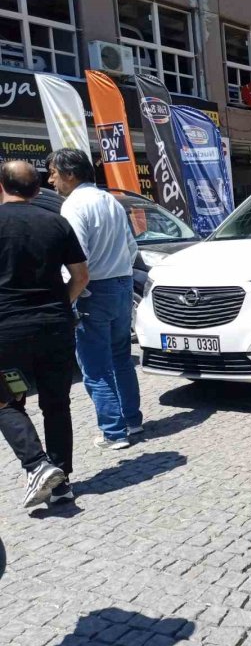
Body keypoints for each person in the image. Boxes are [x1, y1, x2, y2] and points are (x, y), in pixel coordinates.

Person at [0, 160, 89, 506]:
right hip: (55, 327)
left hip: (8, 331)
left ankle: (38, 464)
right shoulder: (57, 222)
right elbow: (81, 276)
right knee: (56, 403)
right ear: (37, 189)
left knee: (7, 399)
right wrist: (62, 306)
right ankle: (61, 483)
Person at [48, 148, 142, 450]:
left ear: (70, 174)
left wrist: (68, 299)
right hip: (121, 284)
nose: (50, 180)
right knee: (121, 357)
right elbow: (131, 247)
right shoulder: (110, 200)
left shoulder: (74, 206)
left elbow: (77, 260)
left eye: (53, 173)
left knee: (95, 366)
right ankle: (132, 419)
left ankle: (113, 432)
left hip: (93, 290)